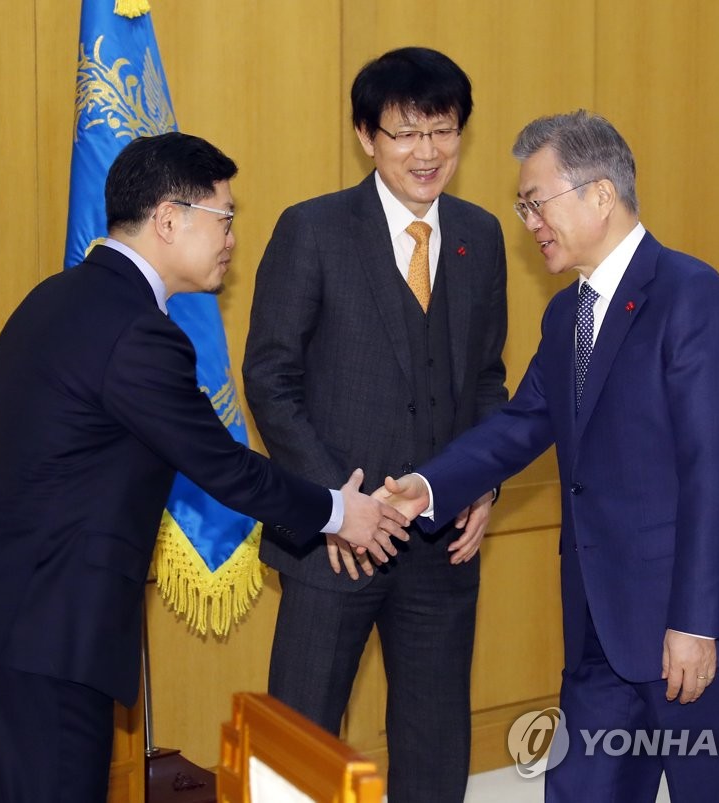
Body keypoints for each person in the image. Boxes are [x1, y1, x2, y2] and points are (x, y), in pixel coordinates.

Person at [0, 132, 410, 803]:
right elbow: (222, 465)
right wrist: (339, 512)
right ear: (169, 218)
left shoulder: (54, 299)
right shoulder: (138, 333)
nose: (233, 237)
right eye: (225, 217)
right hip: (48, 636)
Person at [380, 111, 719, 802]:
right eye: (522, 207)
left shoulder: (692, 298)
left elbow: (716, 476)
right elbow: (521, 422)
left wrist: (694, 623)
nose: (528, 221)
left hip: (705, 631)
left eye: (535, 202)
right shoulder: (566, 314)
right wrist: (426, 486)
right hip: (604, 633)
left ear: (600, 194)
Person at [242, 47, 508, 803]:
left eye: (444, 131)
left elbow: (488, 379)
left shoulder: (480, 236)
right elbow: (270, 377)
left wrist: (482, 484)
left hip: (440, 542)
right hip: (335, 545)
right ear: (366, 135)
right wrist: (338, 506)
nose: (427, 152)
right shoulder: (314, 230)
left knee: (434, 745)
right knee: (298, 746)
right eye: (405, 132)